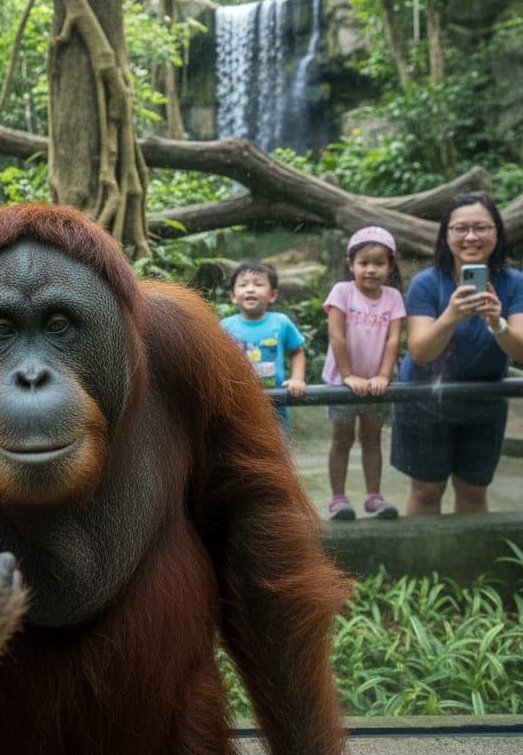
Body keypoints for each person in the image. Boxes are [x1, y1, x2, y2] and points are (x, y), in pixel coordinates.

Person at [392, 191, 523, 515]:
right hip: (425, 401)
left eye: (481, 227)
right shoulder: (426, 283)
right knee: (426, 491)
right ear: (445, 234)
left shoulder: (515, 282)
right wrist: (451, 315)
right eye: (460, 228)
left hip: (484, 401)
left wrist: (497, 323)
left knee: (474, 490)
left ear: (497, 231)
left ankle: (471, 565)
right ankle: (422, 566)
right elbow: (421, 353)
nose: (471, 237)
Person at [322, 226, 406, 521]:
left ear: (390, 266)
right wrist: (348, 375)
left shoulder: (393, 297)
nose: (371, 270)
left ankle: (374, 496)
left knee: (371, 440)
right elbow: (336, 335)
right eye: (364, 263)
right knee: (341, 440)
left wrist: (383, 375)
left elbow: (394, 339)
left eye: (379, 263)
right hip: (342, 382)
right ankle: (338, 498)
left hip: (376, 383)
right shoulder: (342, 291)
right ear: (351, 264)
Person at [220, 260, 307, 438]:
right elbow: (218, 361)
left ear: (272, 295)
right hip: (239, 406)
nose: (250, 289)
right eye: (243, 285)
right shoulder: (225, 326)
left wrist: (297, 379)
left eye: (258, 284)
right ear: (233, 296)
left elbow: (297, 352)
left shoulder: (281, 322)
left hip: (276, 405)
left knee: (279, 452)